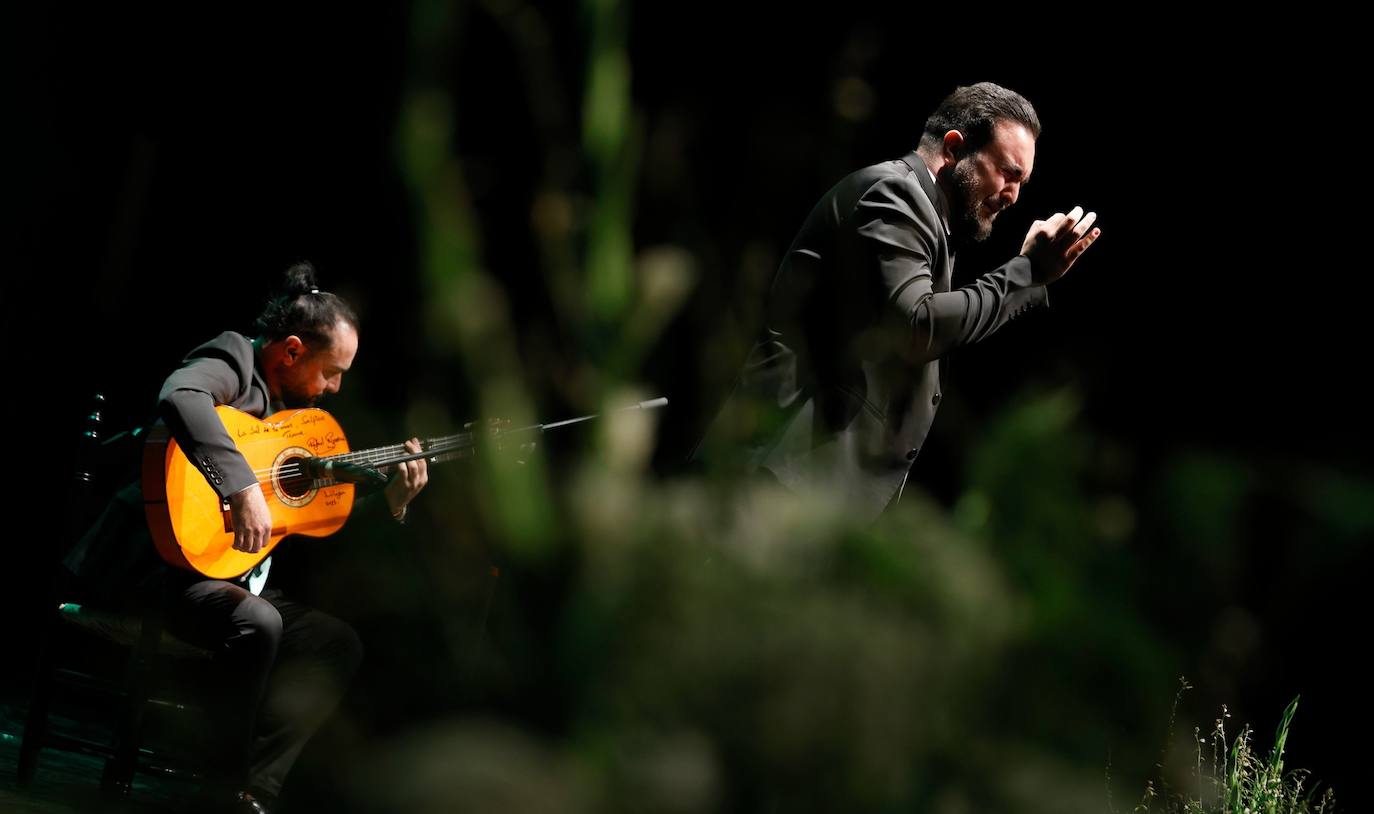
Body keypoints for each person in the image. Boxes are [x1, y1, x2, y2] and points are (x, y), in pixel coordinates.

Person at [64, 262, 428, 813]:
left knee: (335, 643)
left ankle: (254, 791)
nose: (336, 387)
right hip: (161, 568)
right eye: (332, 372)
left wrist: (393, 502)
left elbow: (319, 513)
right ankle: (218, 786)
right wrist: (238, 487)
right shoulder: (234, 358)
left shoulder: (303, 423)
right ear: (291, 351)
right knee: (258, 622)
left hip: (232, 578)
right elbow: (181, 395)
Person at [693, 82, 1101, 521]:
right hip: (780, 479)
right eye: (1008, 172)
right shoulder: (894, 195)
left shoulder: (928, 221)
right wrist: (1026, 272)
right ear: (953, 148)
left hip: (810, 489)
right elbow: (917, 324)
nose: (1013, 196)